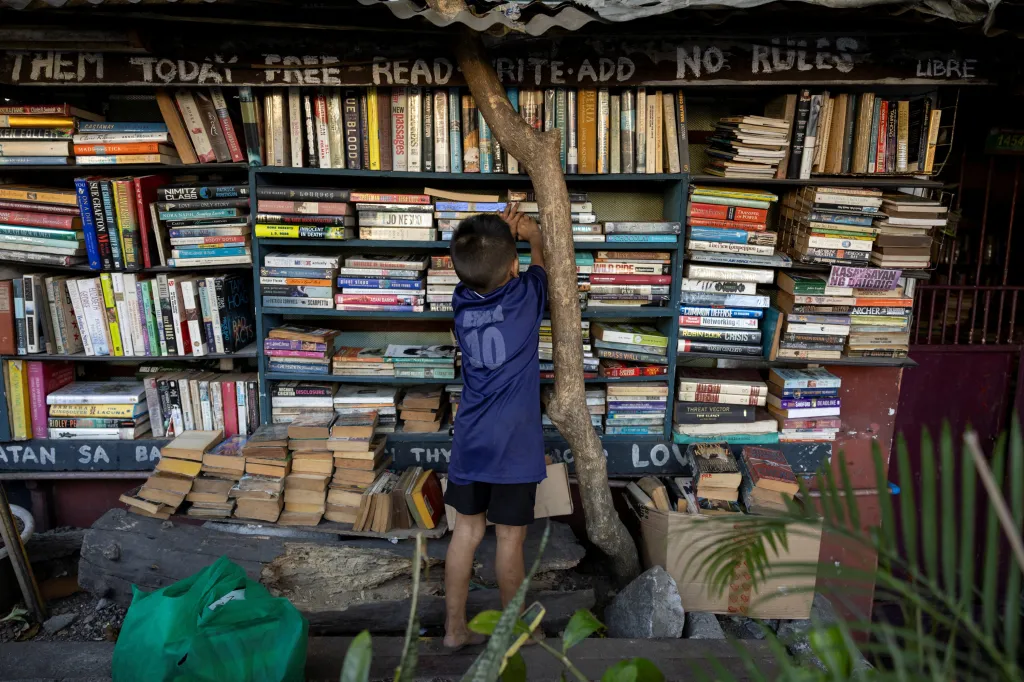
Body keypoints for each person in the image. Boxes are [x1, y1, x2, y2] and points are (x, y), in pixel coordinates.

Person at [443, 203, 547, 650]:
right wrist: (532, 238)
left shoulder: (460, 302)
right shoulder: (526, 297)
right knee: (510, 539)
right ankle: (515, 632)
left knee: (465, 532)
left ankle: (453, 630)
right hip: (515, 444)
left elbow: (484, 273)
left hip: (470, 439)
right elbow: (540, 266)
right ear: (513, 266)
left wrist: (497, 245)